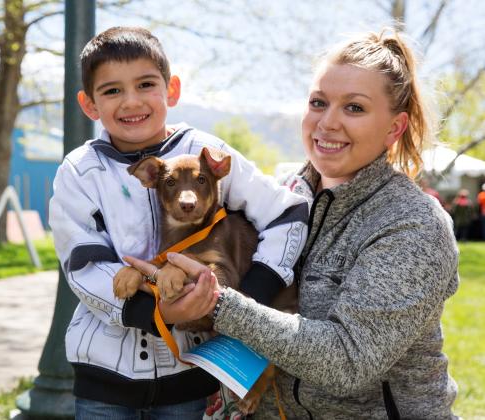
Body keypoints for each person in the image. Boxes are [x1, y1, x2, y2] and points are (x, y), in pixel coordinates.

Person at [127, 29, 460, 418]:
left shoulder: (411, 224)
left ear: (395, 128)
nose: (328, 123)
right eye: (319, 102)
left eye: (354, 108)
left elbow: (347, 361)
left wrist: (220, 303)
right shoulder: (281, 199)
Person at [48, 26, 309, 419]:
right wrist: (158, 312)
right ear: (89, 105)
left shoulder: (207, 152)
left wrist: (249, 297)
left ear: (171, 89)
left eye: (145, 84)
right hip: (103, 380)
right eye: (112, 90)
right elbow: (84, 266)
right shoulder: (80, 172)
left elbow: (287, 214)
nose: (131, 101)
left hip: (191, 377)